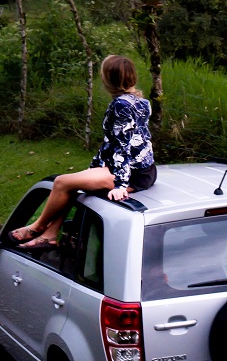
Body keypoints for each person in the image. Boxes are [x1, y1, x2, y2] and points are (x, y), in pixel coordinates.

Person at [8, 54, 157, 248]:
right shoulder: (141, 101)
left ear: (107, 80)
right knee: (72, 184)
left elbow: (122, 146)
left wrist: (120, 185)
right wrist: (94, 167)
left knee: (61, 183)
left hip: (131, 174)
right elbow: (118, 142)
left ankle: (38, 226)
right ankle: (50, 235)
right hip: (143, 169)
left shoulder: (120, 106)